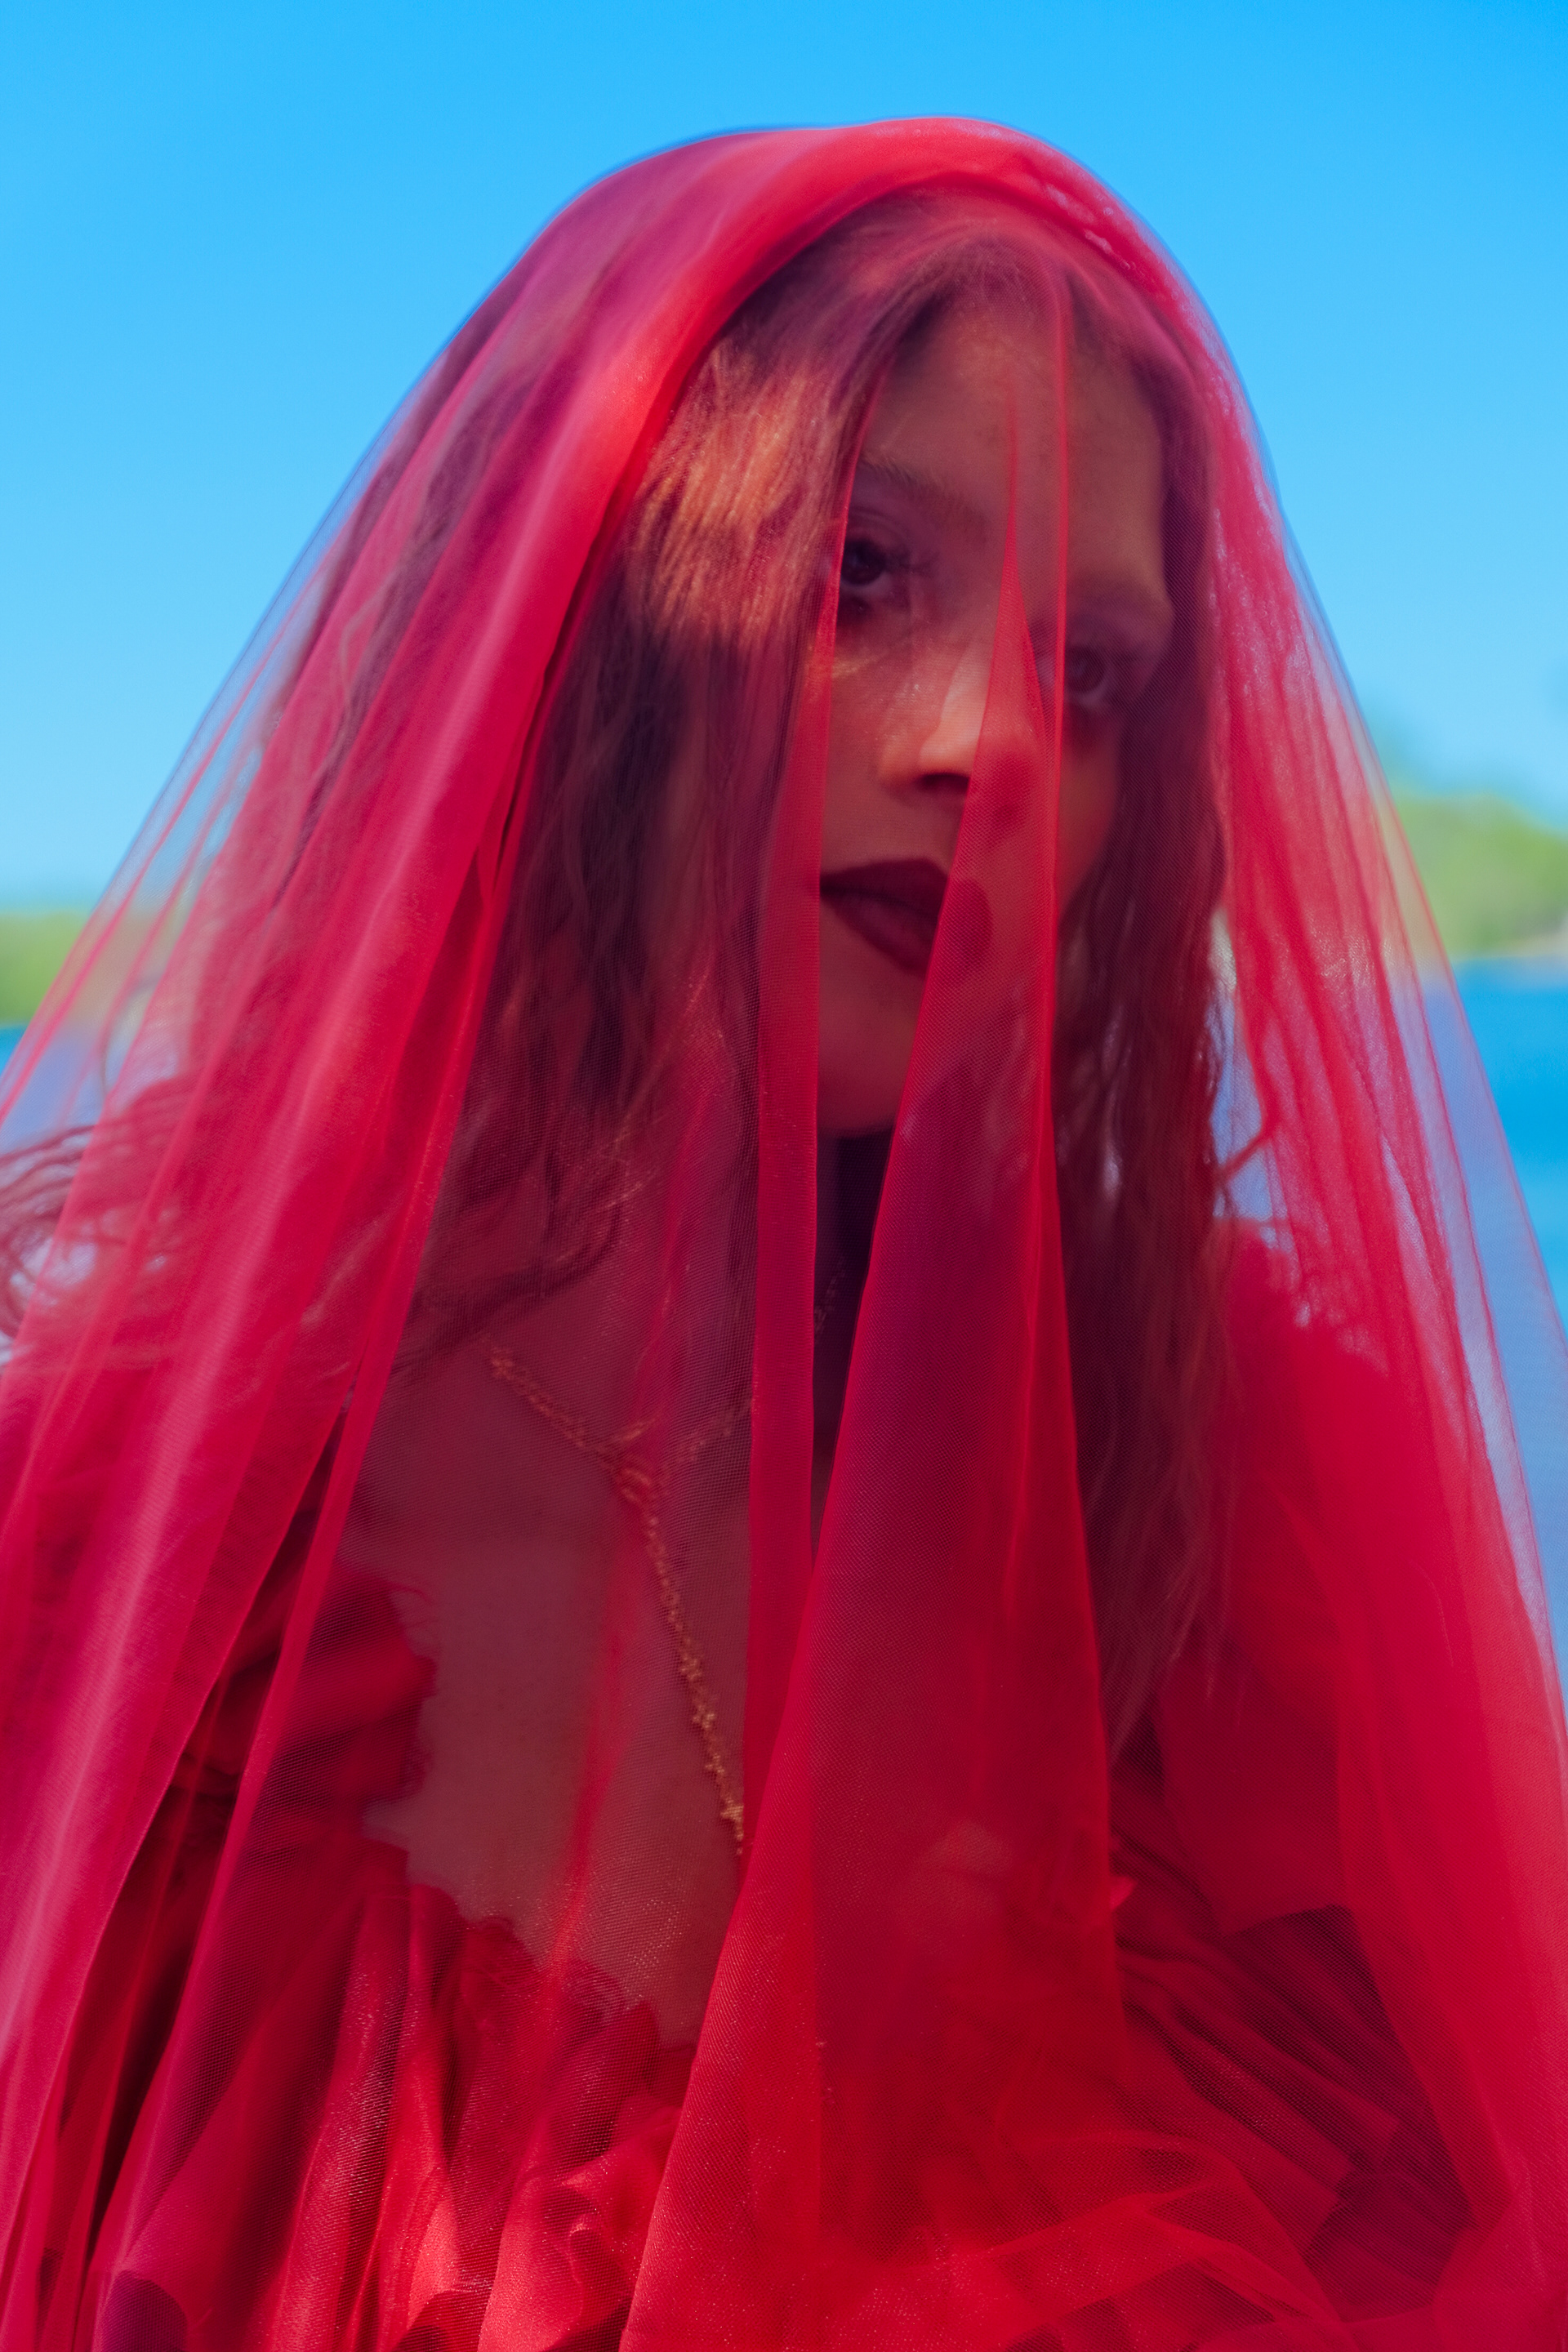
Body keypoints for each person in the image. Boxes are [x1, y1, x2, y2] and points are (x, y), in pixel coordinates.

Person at [1, 121, 1566, 2350]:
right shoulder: (110, 1605)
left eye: (1091, 673)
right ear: (562, 617)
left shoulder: (1223, 1538)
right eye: (860, 570)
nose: (998, 741)